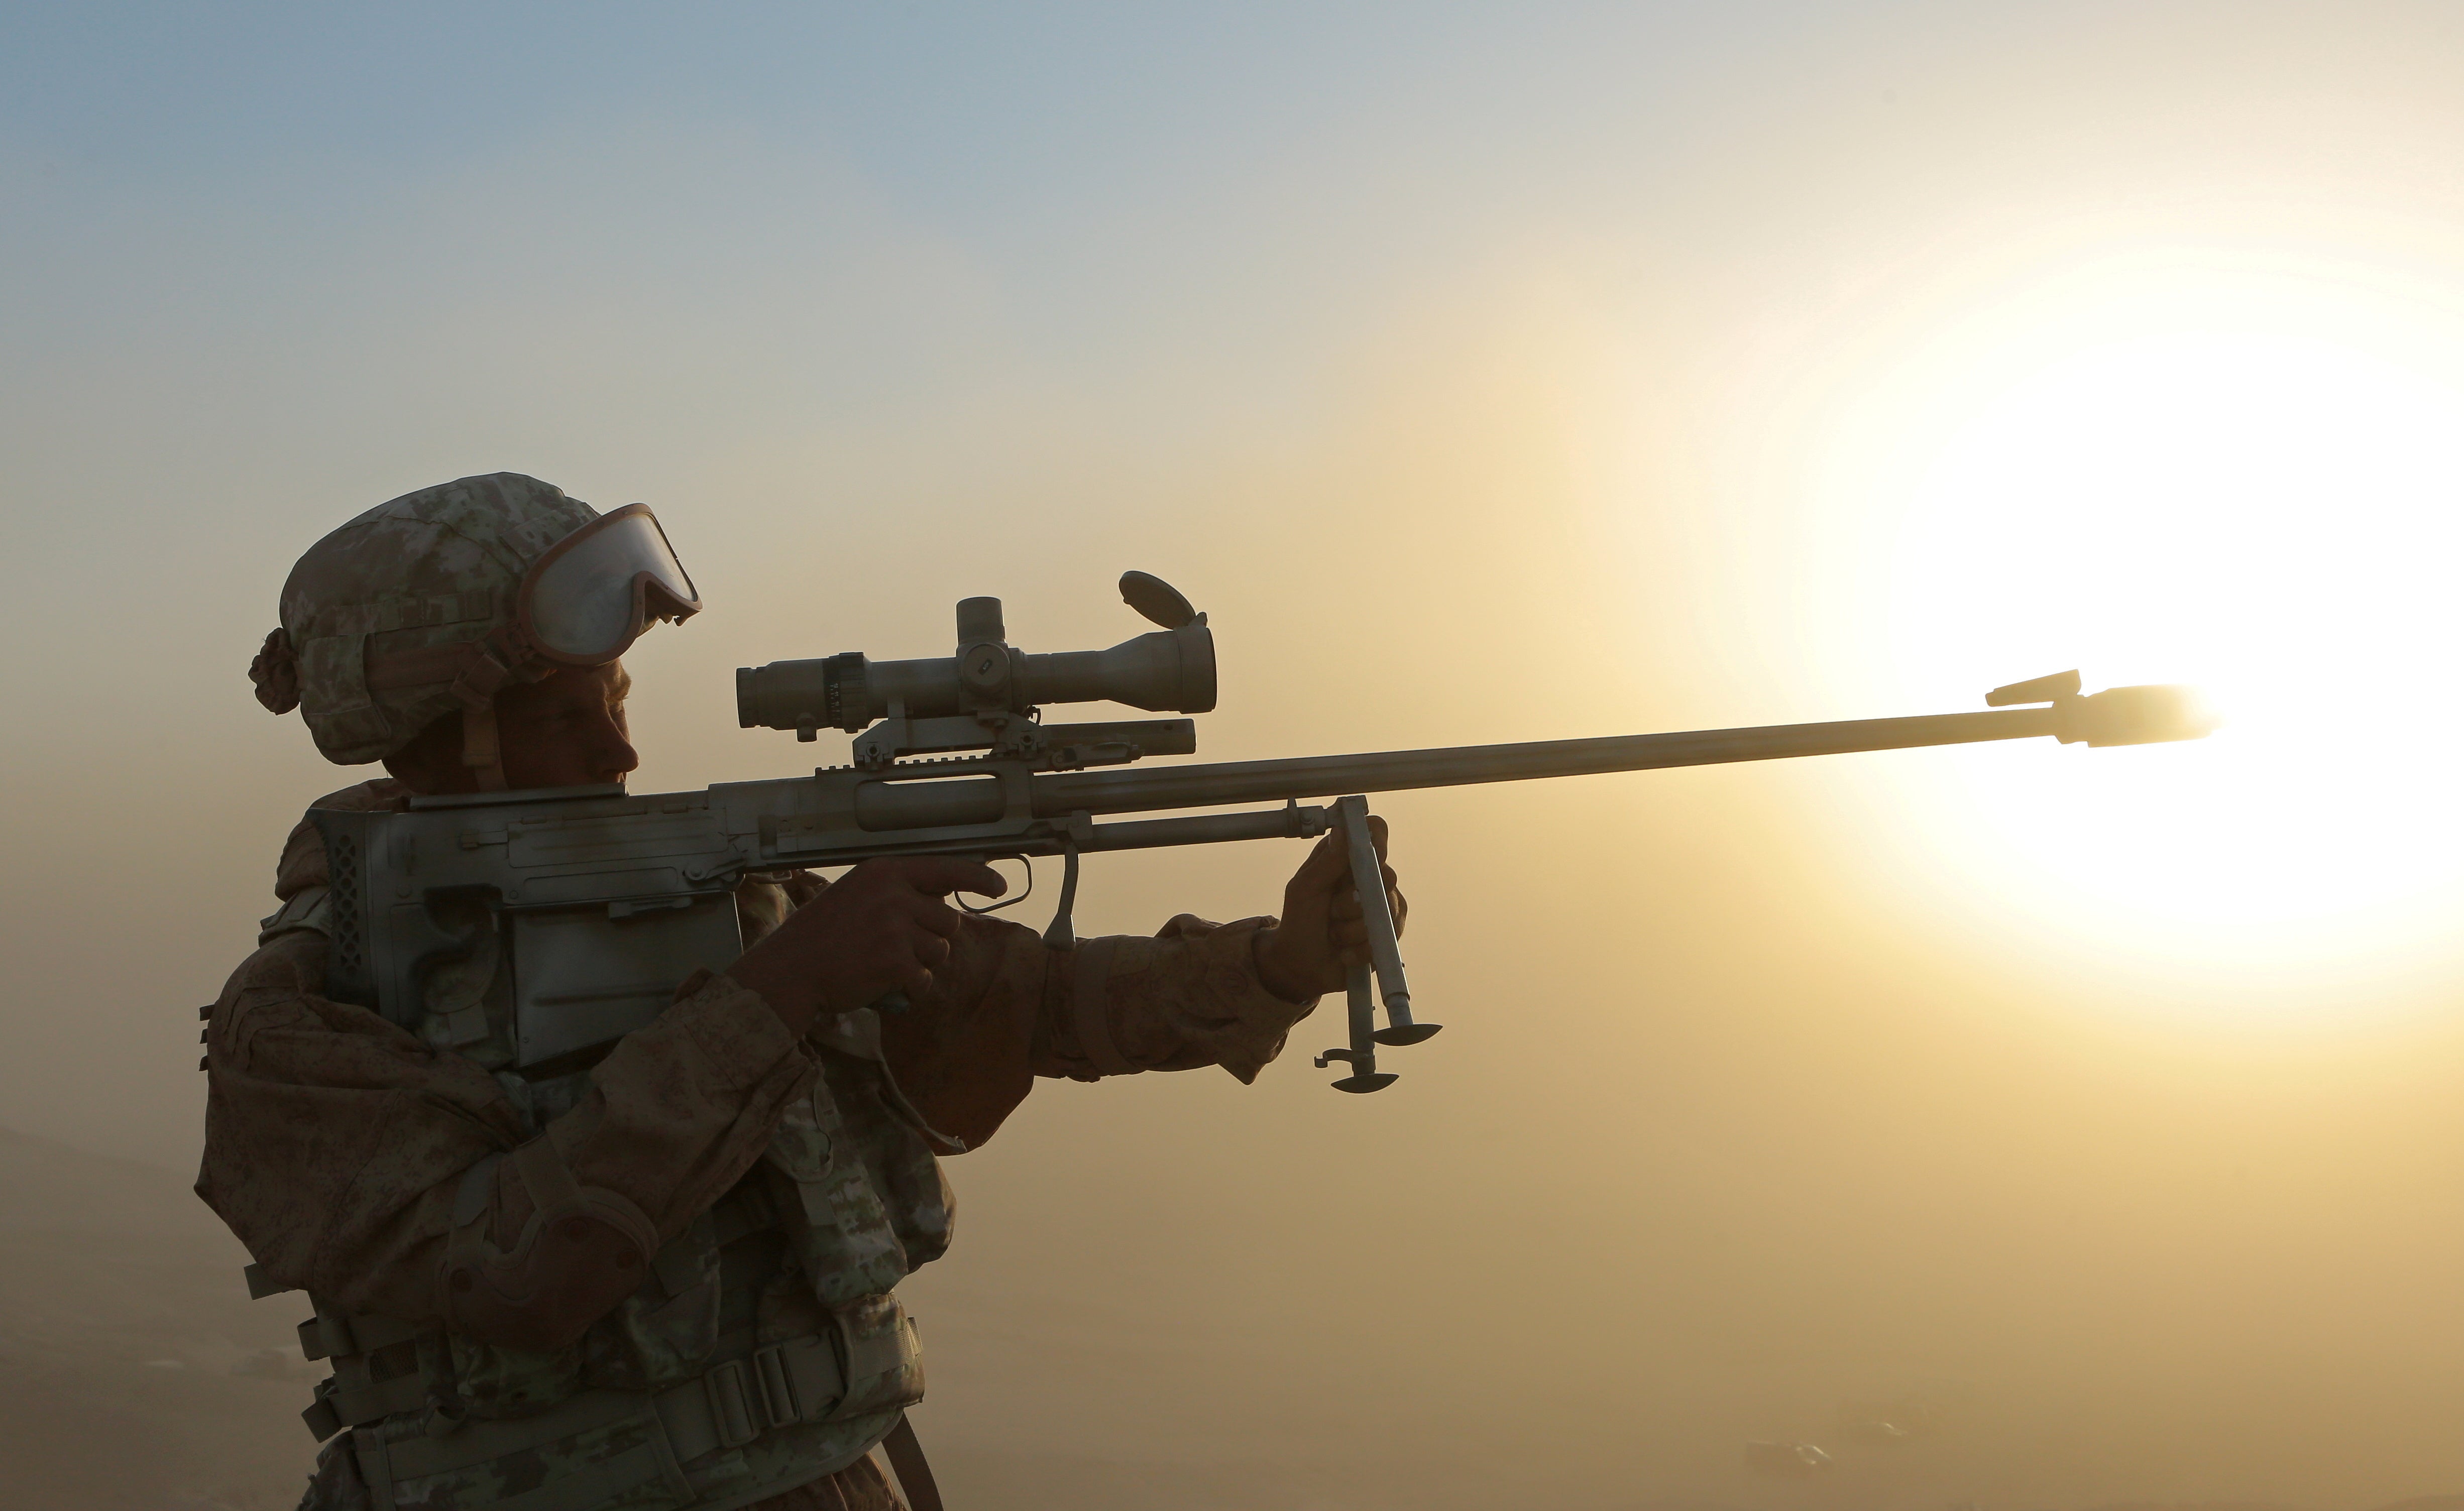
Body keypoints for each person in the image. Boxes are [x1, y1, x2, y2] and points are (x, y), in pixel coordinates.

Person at [200, 474, 1405, 1511]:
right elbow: (516, 1273)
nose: (621, 755)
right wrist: (776, 994)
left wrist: (1281, 961)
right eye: (569, 718)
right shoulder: (308, 1010)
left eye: (618, 701)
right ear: (436, 735)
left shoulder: (729, 897)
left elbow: (1039, 1003)